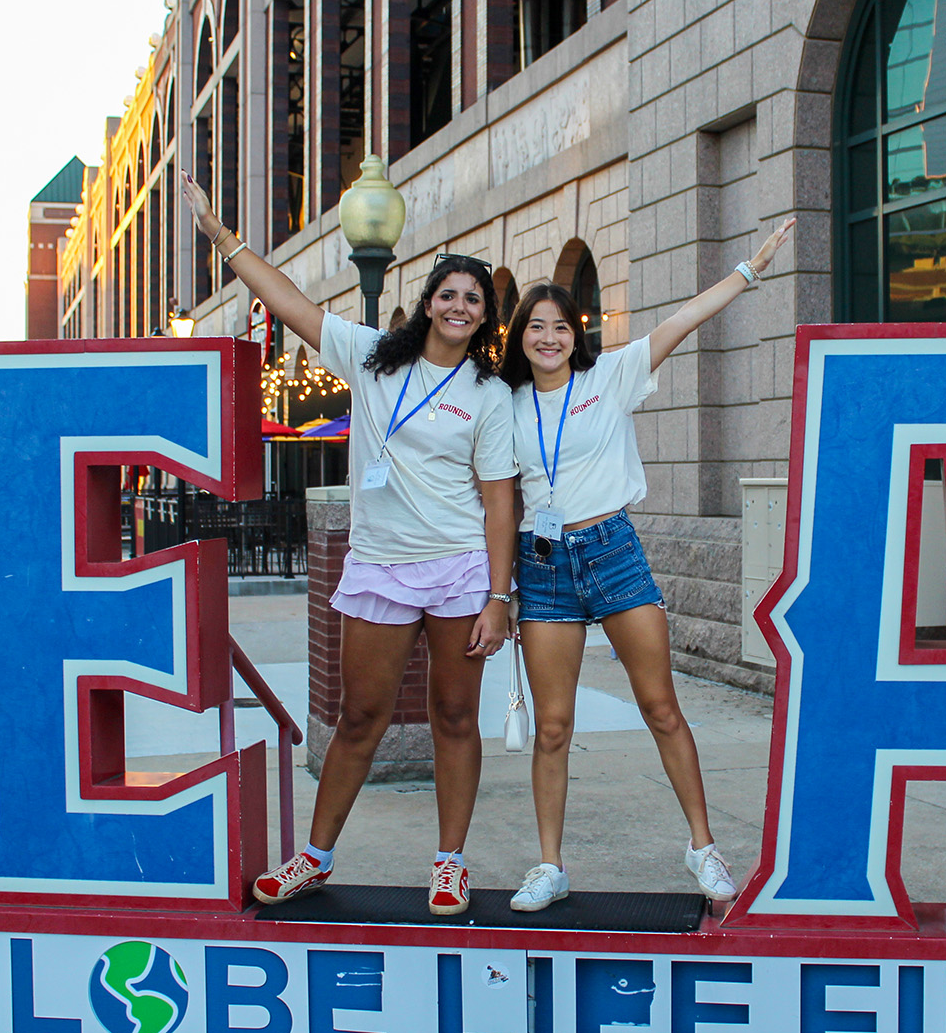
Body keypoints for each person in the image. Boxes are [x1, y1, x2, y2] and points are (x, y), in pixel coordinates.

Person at [180, 171, 517, 915]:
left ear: (484, 315)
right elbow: (291, 302)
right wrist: (222, 239)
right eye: (448, 294)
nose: (459, 306)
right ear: (428, 303)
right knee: (360, 716)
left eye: (473, 299)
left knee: (454, 718)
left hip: (460, 570)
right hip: (381, 568)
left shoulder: (489, 395)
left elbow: (500, 503)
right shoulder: (372, 358)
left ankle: (450, 863)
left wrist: (499, 596)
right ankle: (315, 856)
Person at [500, 217, 797, 911]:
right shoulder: (504, 403)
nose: (549, 338)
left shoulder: (613, 374)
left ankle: (703, 847)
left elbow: (684, 319)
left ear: (578, 335)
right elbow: (498, 497)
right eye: (536, 327)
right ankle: (550, 865)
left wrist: (750, 269)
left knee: (661, 707)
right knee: (553, 726)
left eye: (561, 327)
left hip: (612, 552)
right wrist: (503, 588)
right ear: (520, 336)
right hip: (542, 567)